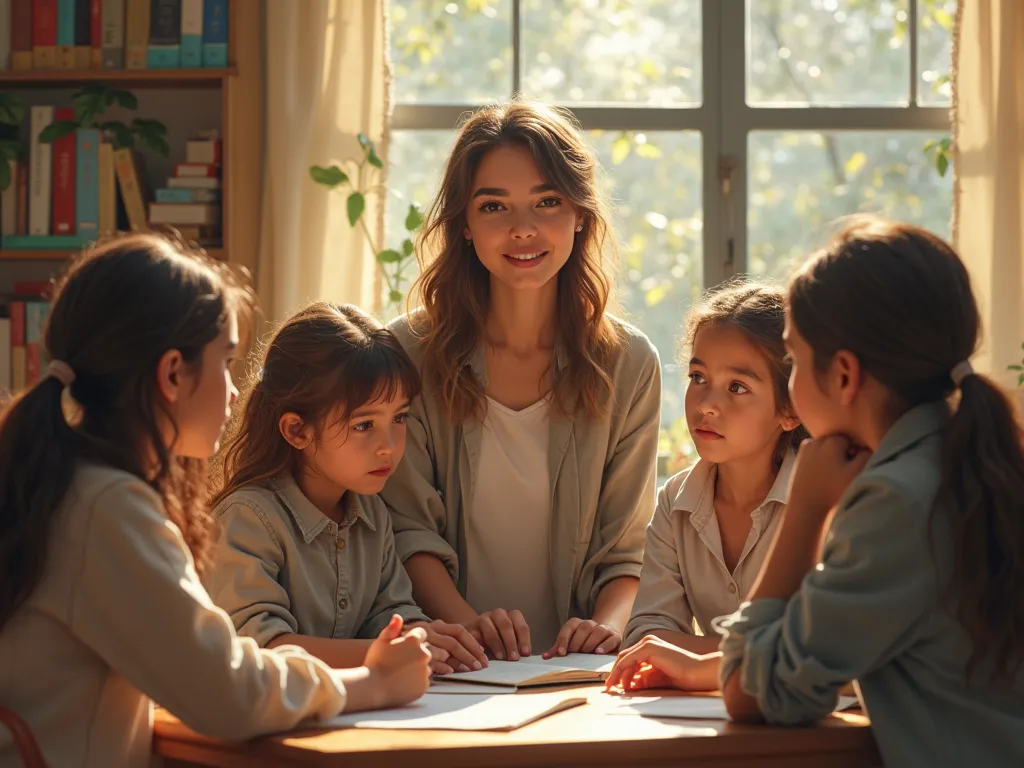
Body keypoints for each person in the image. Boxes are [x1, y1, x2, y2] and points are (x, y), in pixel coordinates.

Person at [0, 236, 431, 768]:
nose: (234, 391)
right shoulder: (104, 506)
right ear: (173, 374)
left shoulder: (76, 485)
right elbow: (227, 691)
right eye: (225, 361)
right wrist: (371, 681)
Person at [607, 219, 1024, 767]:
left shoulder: (895, 501)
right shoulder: (955, 462)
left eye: (796, 361)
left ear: (845, 376)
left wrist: (805, 511)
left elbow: (753, 694)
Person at [381, 100, 662, 660]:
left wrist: (605, 629)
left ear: (580, 215)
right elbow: (407, 530)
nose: (523, 229)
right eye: (494, 206)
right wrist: (473, 632)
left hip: (575, 671)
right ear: (464, 222)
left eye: (547, 202)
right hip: (448, 657)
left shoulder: (629, 363)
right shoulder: (406, 353)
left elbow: (626, 549)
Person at [209, 301, 486, 675]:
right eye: (364, 425)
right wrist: (387, 654)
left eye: (400, 417)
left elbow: (390, 613)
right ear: (297, 430)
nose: (389, 445)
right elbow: (260, 649)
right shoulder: (248, 518)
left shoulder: (372, 514)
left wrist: (424, 635)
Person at [620, 283, 804, 691]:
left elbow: (814, 652)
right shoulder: (676, 501)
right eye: (698, 377)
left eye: (737, 387)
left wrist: (694, 658)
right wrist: (748, 655)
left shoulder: (822, 502)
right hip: (714, 721)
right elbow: (645, 635)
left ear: (790, 410)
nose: (706, 404)